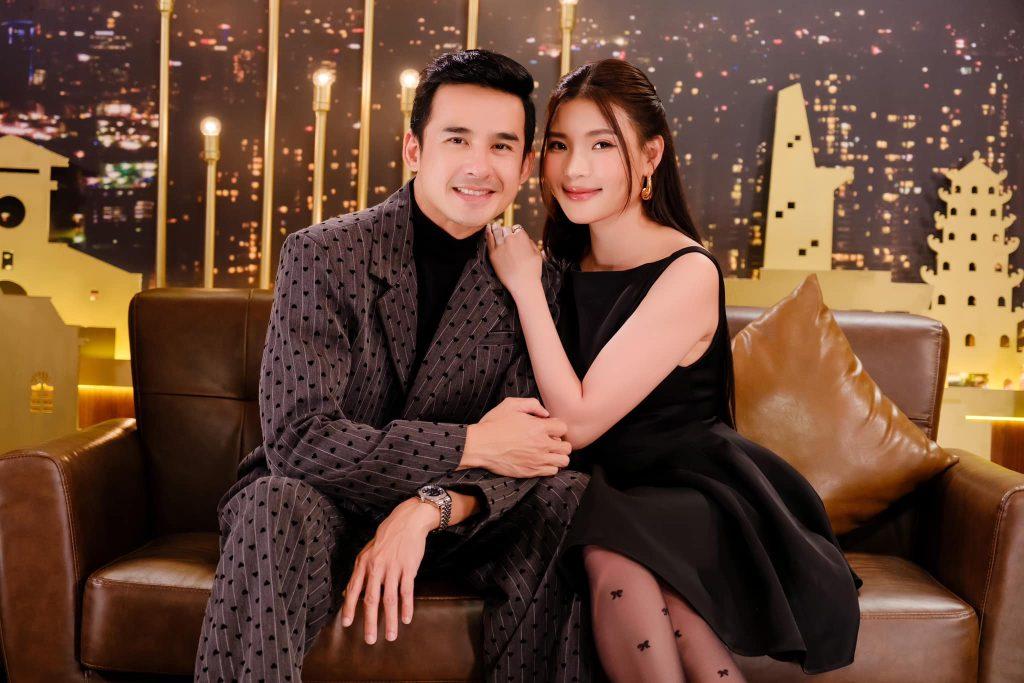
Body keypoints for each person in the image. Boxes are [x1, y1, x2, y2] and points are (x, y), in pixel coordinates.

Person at [194, 50, 596, 683]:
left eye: (501, 146)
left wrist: (426, 508)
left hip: (456, 521)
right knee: (272, 501)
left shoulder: (535, 281)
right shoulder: (323, 254)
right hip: (323, 506)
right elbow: (299, 438)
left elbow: (530, 452)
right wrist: (470, 442)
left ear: (524, 166)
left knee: (567, 499)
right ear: (414, 148)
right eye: (456, 139)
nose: (478, 165)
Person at [486, 58, 862, 683]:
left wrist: (525, 290)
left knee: (614, 555)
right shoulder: (560, 265)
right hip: (607, 487)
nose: (574, 169)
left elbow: (576, 423)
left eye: (602, 145)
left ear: (651, 156)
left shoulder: (687, 271)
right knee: (650, 584)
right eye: (559, 145)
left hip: (693, 490)